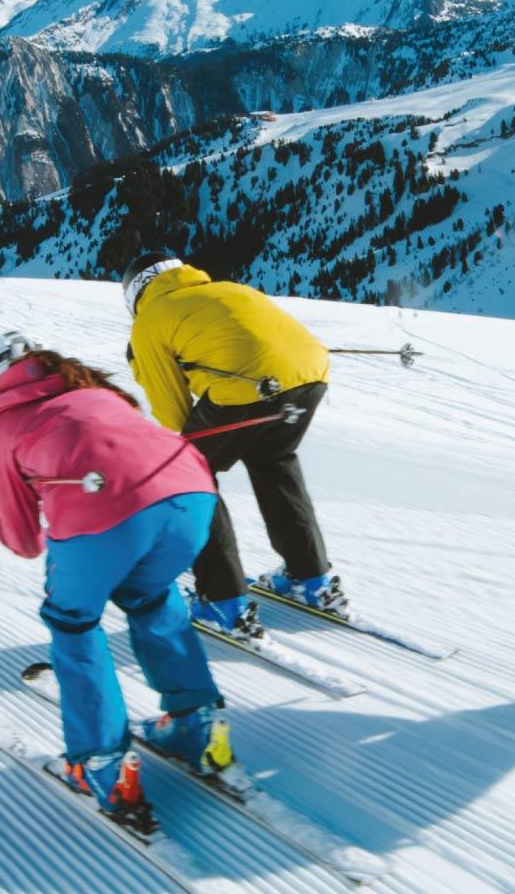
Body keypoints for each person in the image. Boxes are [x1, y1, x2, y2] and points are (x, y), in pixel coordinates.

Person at [0, 331, 233, 827]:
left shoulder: (2, 423)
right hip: (193, 497)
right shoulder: (97, 392)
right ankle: (194, 724)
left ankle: (102, 764)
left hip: (110, 511)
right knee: (151, 594)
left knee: (72, 620)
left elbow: (23, 538)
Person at [120, 250, 347, 643]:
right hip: (311, 378)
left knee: (191, 475)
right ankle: (310, 579)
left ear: (134, 294)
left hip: (251, 390)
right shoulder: (228, 289)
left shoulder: (149, 321)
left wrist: (141, 363)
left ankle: (221, 601)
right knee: (273, 458)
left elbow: (173, 417)